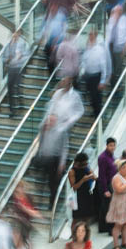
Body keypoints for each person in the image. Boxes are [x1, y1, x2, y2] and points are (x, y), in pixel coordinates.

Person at [38, 77, 84, 208]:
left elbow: (65, 147)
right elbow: (50, 107)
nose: (61, 83)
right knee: (46, 179)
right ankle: (45, 200)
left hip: (64, 127)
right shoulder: (57, 94)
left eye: (64, 81)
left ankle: (53, 203)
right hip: (47, 156)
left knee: (54, 181)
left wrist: (69, 121)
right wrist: (46, 121)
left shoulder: (75, 96)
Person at [81, 29, 111, 118]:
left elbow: (103, 65)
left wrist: (102, 81)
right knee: (91, 96)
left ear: (95, 35)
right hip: (88, 76)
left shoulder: (99, 49)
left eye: (91, 34)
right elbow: (84, 60)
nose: (90, 36)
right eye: (89, 34)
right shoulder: (87, 48)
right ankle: (95, 112)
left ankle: (98, 115)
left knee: (96, 97)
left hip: (96, 76)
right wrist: (83, 69)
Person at [3, 32, 29, 118]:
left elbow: (25, 56)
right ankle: (12, 110)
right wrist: (8, 60)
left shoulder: (21, 44)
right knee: (10, 89)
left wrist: (19, 58)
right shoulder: (8, 46)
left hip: (18, 68)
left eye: (16, 35)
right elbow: (4, 58)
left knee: (17, 87)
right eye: (13, 35)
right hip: (11, 69)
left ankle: (20, 104)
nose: (15, 37)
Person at [106, 6, 126, 83]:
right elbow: (108, 33)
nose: (115, 13)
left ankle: (116, 85)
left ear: (121, 12)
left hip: (120, 47)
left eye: (117, 11)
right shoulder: (111, 19)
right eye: (114, 11)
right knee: (111, 66)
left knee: (117, 68)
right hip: (110, 46)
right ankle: (112, 82)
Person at [68, 153, 97, 227]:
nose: (86, 164)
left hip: (87, 195)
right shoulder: (72, 171)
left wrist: (91, 176)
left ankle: (84, 233)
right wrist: (83, 180)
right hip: (77, 197)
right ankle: (74, 235)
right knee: (76, 218)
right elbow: (74, 187)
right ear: (78, 163)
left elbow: (95, 177)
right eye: (84, 163)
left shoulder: (86, 167)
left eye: (87, 163)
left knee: (87, 217)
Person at [97, 137, 117, 233]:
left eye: (113, 145)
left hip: (111, 184)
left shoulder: (111, 156)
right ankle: (106, 228)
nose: (112, 147)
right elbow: (102, 175)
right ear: (107, 146)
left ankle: (105, 227)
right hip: (105, 185)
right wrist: (105, 190)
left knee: (107, 207)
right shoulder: (103, 157)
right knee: (106, 207)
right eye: (110, 145)